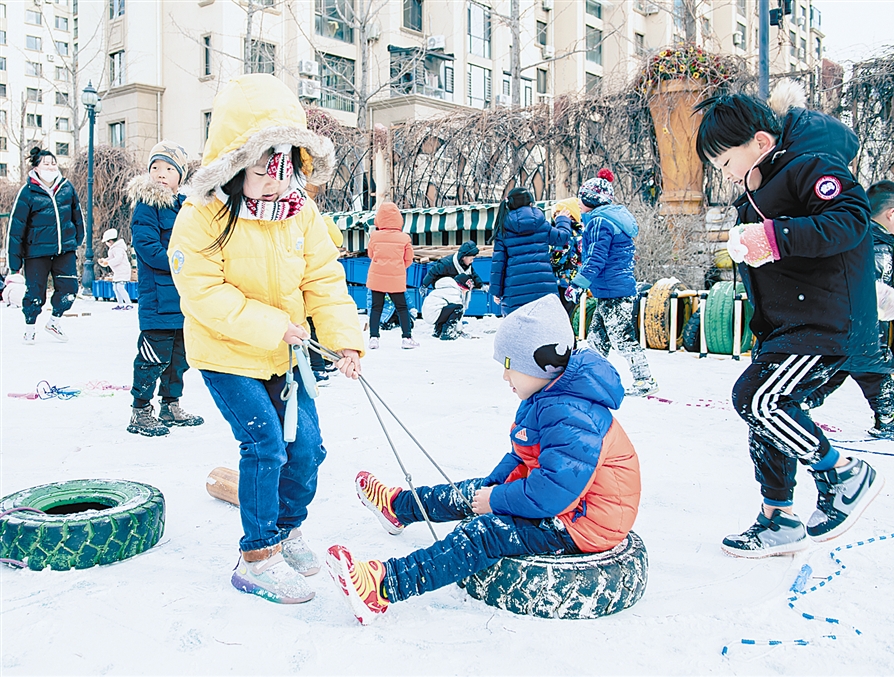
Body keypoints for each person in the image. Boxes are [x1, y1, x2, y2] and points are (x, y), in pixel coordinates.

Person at [168, 74, 365, 604]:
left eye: (286, 170)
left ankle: (286, 527)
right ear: (236, 164)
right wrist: (272, 323)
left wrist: (346, 340)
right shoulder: (202, 216)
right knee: (265, 446)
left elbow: (323, 280)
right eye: (263, 171)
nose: (277, 183)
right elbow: (202, 293)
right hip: (226, 353)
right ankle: (256, 555)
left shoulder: (301, 215)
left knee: (309, 450)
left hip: (285, 355)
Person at [325, 294, 641, 624]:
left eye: (510, 366)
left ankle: (383, 587)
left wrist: (498, 500)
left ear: (540, 364)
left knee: (486, 533)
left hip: (585, 522)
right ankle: (399, 508)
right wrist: (492, 488)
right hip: (568, 502)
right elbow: (524, 454)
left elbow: (551, 494)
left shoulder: (572, 414)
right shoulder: (549, 394)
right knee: (475, 493)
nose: (505, 377)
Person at [695, 80, 883, 558]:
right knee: (766, 414)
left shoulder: (807, 169)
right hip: (783, 328)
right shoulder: (755, 194)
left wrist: (772, 238)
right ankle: (778, 517)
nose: (726, 175)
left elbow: (850, 218)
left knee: (758, 398)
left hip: (823, 324)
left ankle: (842, 475)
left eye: (726, 162)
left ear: (759, 142)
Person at [804, 180, 894, 441]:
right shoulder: (879, 245)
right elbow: (874, 291)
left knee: (831, 374)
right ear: (891, 213)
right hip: (861, 332)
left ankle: (799, 405)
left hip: (840, 329)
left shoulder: (858, 235)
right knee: (876, 376)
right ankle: (887, 421)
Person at [127, 140, 204, 437]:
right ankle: (140, 408)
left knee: (178, 357)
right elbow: (146, 246)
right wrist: (180, 261)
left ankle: (170, 404)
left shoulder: (185, 208)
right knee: (153, 355)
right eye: (156, 167)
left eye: (169, 168)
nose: (161, 173)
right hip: (158, 297)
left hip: (183, 297)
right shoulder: (148, 204)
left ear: (180, 176)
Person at [566, 170, 658, 397]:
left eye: (582, 197)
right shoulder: (605, 220)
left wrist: (577, 284)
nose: (578, 202)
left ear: (591, 200)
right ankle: (591, 379)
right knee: (598, 339)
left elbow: (597, 258)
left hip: (614, 291)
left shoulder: (600, 221)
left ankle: (644, 379)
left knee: (621, 337)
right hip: (610, 289)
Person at [6, 147, 84, 344]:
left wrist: (77, 239)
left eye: (53, 163)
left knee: (69, 289)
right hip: (36, 252)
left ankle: (54, 322)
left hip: (64, 249)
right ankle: (30, 327)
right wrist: (14, 262)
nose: (51, 166)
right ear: (36, 167)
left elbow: (77, 215)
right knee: (34, 293)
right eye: (46, 163)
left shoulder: (66, 187)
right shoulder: (28, 192)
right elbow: (16, 228)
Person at [490, 188, 571, 315]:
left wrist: (496, 291)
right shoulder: (541, 223)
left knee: (519, 329)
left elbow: (498, 263)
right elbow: (562, 238)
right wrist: (562, 220)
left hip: (515, 290)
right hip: (543, 287)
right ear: (531, 204)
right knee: (544, 328)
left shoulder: (503, 227)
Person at [366, 201, 417, 350]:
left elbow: (370, 254)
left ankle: (373, 338)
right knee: (402, 308)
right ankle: (407, 338)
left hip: (377, 278)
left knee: (376, 308)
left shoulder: (374, 236)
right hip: (396, 278)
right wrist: (398, 268)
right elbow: (409, 259)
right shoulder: (404, 238)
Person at [308, 214, 344, 383]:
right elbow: (339, 240)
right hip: (327, 293)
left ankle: (318, 369)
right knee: (324, 326)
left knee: (311, 331)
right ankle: (327, 361)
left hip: (309, 296)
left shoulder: (308, 231)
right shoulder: (327, 223)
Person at [549, 197, 583, 315]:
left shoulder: (564, 233)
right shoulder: (581, 231)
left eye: (559, 214)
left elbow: (557, 257)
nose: (556, 217)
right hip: (577, 280)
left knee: (561, 316)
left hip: (562, 281)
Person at [421, 273, 473, 340]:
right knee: (458, 308)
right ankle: (447, 333)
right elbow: (459, 312)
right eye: (465, 290)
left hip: (430, 313)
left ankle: (438, 331)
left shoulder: (446, 287)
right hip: (434, 314)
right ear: (461, 286)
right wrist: (459, 330)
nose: (465, 293)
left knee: (446, 309)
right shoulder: (454, 291)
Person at [98, 228, 133, 310]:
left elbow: (118, 259)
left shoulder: (118, 249)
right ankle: (120, 304)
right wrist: (105, 261)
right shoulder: (114, 248)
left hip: (122, 271)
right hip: (118, 271)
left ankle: (128, 304)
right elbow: (111, 258)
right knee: (116, 288)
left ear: (110, 241)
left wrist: (108, 263)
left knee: (120, 288)